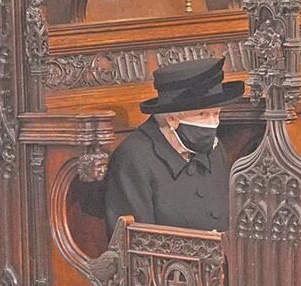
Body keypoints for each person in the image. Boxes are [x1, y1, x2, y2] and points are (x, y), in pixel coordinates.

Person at [103, 57, 244, 236]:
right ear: (171, 118)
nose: (213, 123)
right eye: (202, 114)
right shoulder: (134, 159)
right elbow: (133, 244)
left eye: (216, 113)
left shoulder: (215, 149)